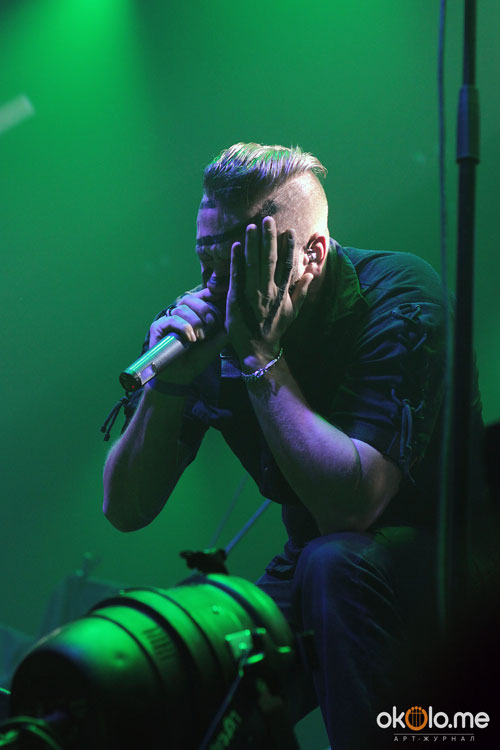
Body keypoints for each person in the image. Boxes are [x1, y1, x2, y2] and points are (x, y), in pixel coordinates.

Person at [102, 142, 480, 748]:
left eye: (241, 259)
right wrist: (168, 386)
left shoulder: (401, 298)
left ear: (312, 255)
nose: (216, 284)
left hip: (445, 557)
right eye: (206, 259)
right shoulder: (206, 326)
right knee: (201, 655)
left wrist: (259, 354)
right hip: (316, 560)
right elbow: (125, 509)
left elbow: (353, 508)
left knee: (334, 562)